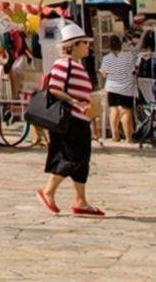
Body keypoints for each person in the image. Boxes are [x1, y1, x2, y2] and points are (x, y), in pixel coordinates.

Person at [36, 22, 104, 218]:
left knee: (82, 161)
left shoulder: (76, 66)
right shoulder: (63, 65)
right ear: (73, 45)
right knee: (72, 157)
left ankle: (80, 201)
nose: (87, 47)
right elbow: (55, 88)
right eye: (84, 43)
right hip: (70, 120)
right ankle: (48, 191)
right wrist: (75, 101)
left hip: (81, 119)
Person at [99, 33, 138, 143]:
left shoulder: (106, 58)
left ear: (109, 46)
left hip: (112, 88)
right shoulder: (128, 56)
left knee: (113, 110)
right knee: (126, 112)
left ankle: (115, 136)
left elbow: (103, 73)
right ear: (120, 45)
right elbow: (132, 70)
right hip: (126, 88)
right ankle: (128, 138)